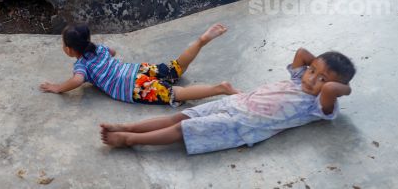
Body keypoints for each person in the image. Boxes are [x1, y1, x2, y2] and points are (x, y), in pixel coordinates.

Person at [100, 48, 355, 155]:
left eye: (321, 79)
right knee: (178, 117)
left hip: (242, 126)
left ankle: (130, 140)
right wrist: (317, 66)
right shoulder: (300, 77)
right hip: (237, 103)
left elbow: (333, 88)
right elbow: (301, 53)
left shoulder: (318, 105)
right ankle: (129, 127)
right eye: (312, 71)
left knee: (181, 130)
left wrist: (336, 83)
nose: (312, 79)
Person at [40, 23, 238, 105]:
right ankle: (201, 41)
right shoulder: (98, 48)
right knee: (174, 68)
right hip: (135, 69)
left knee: (175, 93)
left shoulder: (81, 65)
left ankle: (220, 89)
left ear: (70, 50)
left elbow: (77, 81)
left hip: (133, 87)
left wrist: (58, 87)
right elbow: (113, 52)